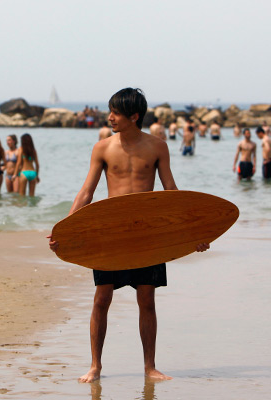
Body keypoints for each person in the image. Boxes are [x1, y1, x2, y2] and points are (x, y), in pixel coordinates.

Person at [48, 88, 209, 382]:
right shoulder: (103, 148)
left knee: (147, 299)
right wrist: (66, 229)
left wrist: (191, 234)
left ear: (134, 116)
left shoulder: (158, 147)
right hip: (110, 234)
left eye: (116, 113)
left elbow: (171, 193)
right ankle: (95, 365)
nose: (110, 117)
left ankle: (150, 367)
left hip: (147, 235)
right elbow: (87, 192)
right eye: (110, 111)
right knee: (101, 299)